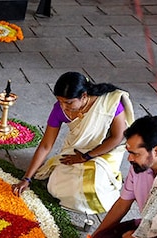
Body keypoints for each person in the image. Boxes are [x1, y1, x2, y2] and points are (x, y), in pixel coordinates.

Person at [12, 72, 135, 215]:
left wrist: (86, 157)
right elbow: (46, 145)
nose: (63, 107)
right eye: (60, 101)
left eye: (69, 102)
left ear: (83, 96)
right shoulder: (59, 109)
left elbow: (117, 137)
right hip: (76, 150)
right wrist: (27, 178)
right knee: (55, 187)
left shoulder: (109, 104)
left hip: (106, 151)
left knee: (93, 188)